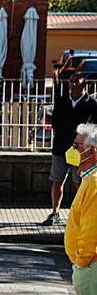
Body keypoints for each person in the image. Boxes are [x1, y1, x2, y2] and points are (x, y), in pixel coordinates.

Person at [58, 123, 97, 295]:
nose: (72, 150)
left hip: (91, 264)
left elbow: (92, 230)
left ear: (92, 151)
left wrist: (81, 260)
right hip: (88, 263)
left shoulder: (94, 181)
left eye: (78, 146)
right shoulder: (89, 178)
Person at [44, 74, 97, 225]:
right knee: (57, 180)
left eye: (77, 81)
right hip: (61, 147)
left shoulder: (92, 103)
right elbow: (55, 121)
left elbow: (94, 126)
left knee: (79, 182)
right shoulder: (62, 100)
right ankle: (55, 212)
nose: (73, 83)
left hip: (81, 148)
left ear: (84, 83)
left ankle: (79, 213)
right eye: (71, 81)